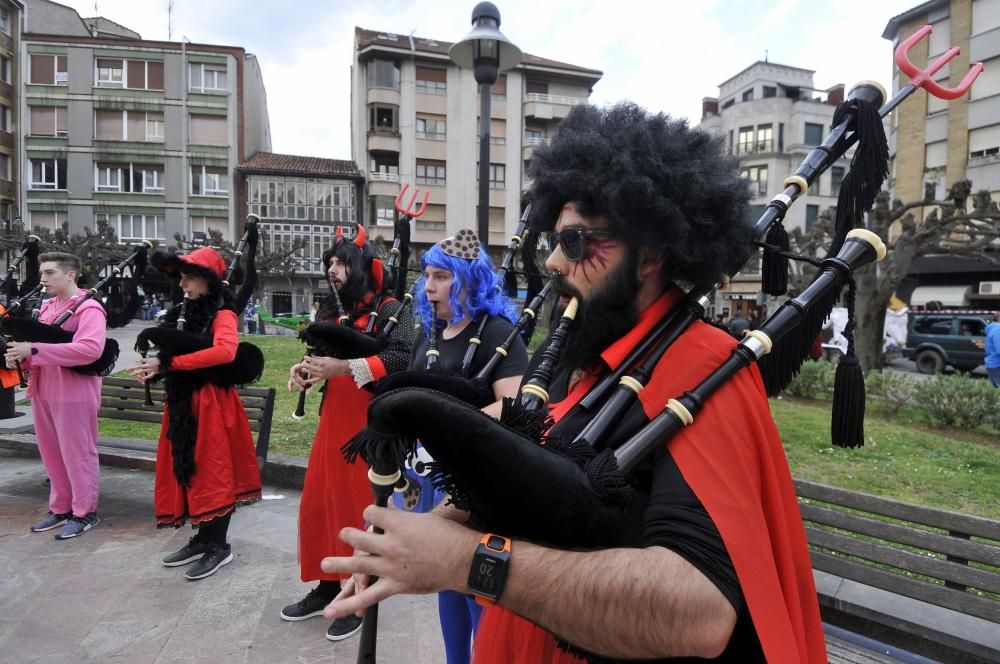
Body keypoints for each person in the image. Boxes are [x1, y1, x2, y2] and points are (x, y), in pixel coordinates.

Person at [321, 103, 826, 662]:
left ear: (651, 254)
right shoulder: (583, 352)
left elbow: (701, 612)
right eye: (553, 243)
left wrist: (466, 561)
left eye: (578, 242)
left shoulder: (707, 369)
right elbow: (534, 474)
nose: (556, 263)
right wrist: (425, 532)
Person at [396, 229, 528, 663]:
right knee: (444, 579)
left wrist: (448, 423)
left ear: (468, 280)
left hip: (474, 478)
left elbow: (514, 405)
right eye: (427, 275)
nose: (428, 285)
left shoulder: (498, 333)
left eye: (440, 276)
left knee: (474, 584)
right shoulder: (430, 332)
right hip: (428, 472)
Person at [280, 227, 414, 642]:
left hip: (370, 423)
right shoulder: (331, 311)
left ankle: (360, 597)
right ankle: (325, 587)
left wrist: (345, 368)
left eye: (339, 262)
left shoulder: (394, 308)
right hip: (332, 419)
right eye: (329, 263)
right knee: (322, 502)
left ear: (359, 267)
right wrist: (304, 371)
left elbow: (399, 358)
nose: (331, 269)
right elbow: (321, 355)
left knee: (358, 508)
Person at [129, 247, 262, 580]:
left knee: (213, 471)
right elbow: (175, 349)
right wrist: (156, 368)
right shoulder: (184, 310)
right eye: (181, 278)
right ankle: (203, 539)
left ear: (207, 279)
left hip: (212, 403)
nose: (183, 284)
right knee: (191, 468)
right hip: (183, 403)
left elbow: (225, 351)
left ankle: (219, 546)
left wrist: (171, 363)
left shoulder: (223, 312)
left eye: (188, 277)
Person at [6, 253, 106, 539]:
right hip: (43, 390)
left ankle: (85, 512)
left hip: (74, 392)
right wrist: (21, 358)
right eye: (42, 272)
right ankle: (61, 508)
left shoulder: (89, 309)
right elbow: (34, 349)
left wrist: (33, 350)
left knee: (78, 454)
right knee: (52, 453)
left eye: (49, 273)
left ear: (70, 275)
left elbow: (90, 349)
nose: (43, 278)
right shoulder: (48, 307)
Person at [986, 311, 1000, 387]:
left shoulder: (992, 329)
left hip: (992, 364)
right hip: (997, 364)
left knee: (995, 390)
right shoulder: (998, 330)